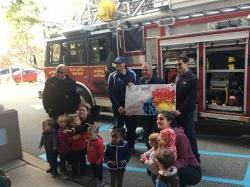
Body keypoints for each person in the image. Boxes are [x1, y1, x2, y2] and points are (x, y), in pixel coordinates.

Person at [157, 111, 201, 187]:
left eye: (161, 119)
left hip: (191, 169)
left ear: (169, 121)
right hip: (175, 165)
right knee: (154, 170)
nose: (158, 121)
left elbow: (184, 161)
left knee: (164, 174)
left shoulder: (179, 135)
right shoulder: (162, 134)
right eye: (157, 119)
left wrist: (165, 166)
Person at [107, 56, 137, 151]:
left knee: (131, 128)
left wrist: (134, 86)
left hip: (130, 107)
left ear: (124, 64)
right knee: (118, 129)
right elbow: (111, 94)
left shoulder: (132, 74)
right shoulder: (112, 76)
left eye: (120, 63)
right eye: (117, 64)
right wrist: (118, 106)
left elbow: (139, 89)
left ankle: (131, 146)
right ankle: (118, 146)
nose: (118, 65)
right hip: (118, 108)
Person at [174, 55, 199, 162]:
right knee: (179, 136)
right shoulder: (178, 77)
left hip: (186, 113)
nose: (178, 66)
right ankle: (183, 157)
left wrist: (180, 110)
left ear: (187, 63)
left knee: (189, 135)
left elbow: (191, 98)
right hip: (176, 112)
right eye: (176, 64)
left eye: (180, 64)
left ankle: (196, 158)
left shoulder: (193, 78)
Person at [137, 62, 165, 149]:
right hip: (145, 114)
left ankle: (159, 151)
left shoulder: (160, 81)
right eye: (142, 70)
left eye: (146, 70)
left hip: (157, 114)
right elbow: (135, 96)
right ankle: (149, 150)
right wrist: (131, 87)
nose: (144, 71)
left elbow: (165, 96)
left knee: (158, 133)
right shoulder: (139, 81)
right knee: (147, 133)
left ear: (151, 71)